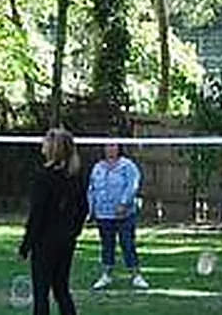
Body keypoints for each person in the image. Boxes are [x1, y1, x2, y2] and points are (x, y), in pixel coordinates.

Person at [18, 127, 89, 315]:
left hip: (45, 241)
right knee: (61, 289)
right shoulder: (75, 176)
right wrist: (73, 232)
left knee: (41, 293)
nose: (42, 145)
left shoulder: (44, 176)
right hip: (66, 241)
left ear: (52, 148)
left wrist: (26, 245)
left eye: (45, 142)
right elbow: (84, 209)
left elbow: (37, 214)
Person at [86, 139, 147, 290]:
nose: (110, 148)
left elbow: (133, 185)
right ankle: (106, 275)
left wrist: (124, 203)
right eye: (107, 145)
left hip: (124, 215)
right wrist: (90, 210)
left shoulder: (127, 166)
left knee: (127, 244)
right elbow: (91, 189)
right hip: (103, 215)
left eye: (113, 145)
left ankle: (136, 276)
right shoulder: (97, 167)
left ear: (119, 147)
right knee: (107, 245)